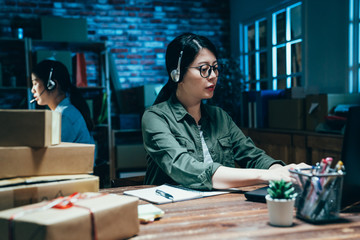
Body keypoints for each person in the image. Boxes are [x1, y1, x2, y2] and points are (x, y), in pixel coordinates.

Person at [141, 33, 308, 190]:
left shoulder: (220, 117)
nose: (213, 75)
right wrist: (269, 175)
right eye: (204, 69)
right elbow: (185, 167)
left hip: (220, 207)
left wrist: (285, 172)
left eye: (215, 68)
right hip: (172, 211)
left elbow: (253, 157)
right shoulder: (155, 117)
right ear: (176, 74)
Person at [31, 59, 94, 144]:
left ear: (51, 85)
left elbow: (50, 153)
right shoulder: (61, 113)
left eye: (35, 84)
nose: (32, 90)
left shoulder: (65, 116)